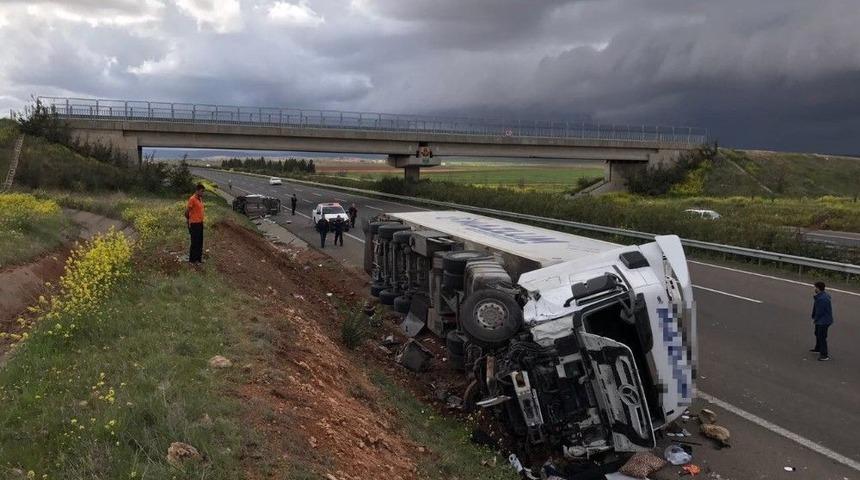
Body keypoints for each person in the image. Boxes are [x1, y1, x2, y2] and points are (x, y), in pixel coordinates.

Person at [810, 281, 834, 361]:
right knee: (817, 333)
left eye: (815, 287)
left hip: (823, 321)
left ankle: (824, 354)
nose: (814, 289)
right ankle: (818, 348)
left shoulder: (822, 299)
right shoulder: (822, 296)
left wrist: (815, 319)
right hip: (822, 320)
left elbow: (820, 311)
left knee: (822, 336)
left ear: (818, 288)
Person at [185, 183, 206, 264]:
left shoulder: (200, 199)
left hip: (200, 223)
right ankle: (192, 260)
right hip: (194, 224)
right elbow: (187, 211)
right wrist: (188, 221)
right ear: (197, 191)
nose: (202, 193)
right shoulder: (192, 199)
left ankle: (198, 259)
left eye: (203, 191)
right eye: (201, 191)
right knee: (194, 242)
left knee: (200, 241)